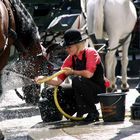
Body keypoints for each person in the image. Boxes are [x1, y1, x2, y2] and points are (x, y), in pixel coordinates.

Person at [36, 29, 107, 122]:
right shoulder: (70, 59)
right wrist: (43, 79)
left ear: (78, 45)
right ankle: (74, 112)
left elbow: (89, 74)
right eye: (66, 47)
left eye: (69, 47)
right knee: (51, 91)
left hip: (97, 91)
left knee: (77, 80)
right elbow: (58, 81)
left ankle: (93, 112)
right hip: (81, 88)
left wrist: (73, 72)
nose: (67, 49)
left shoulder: (90, 52)